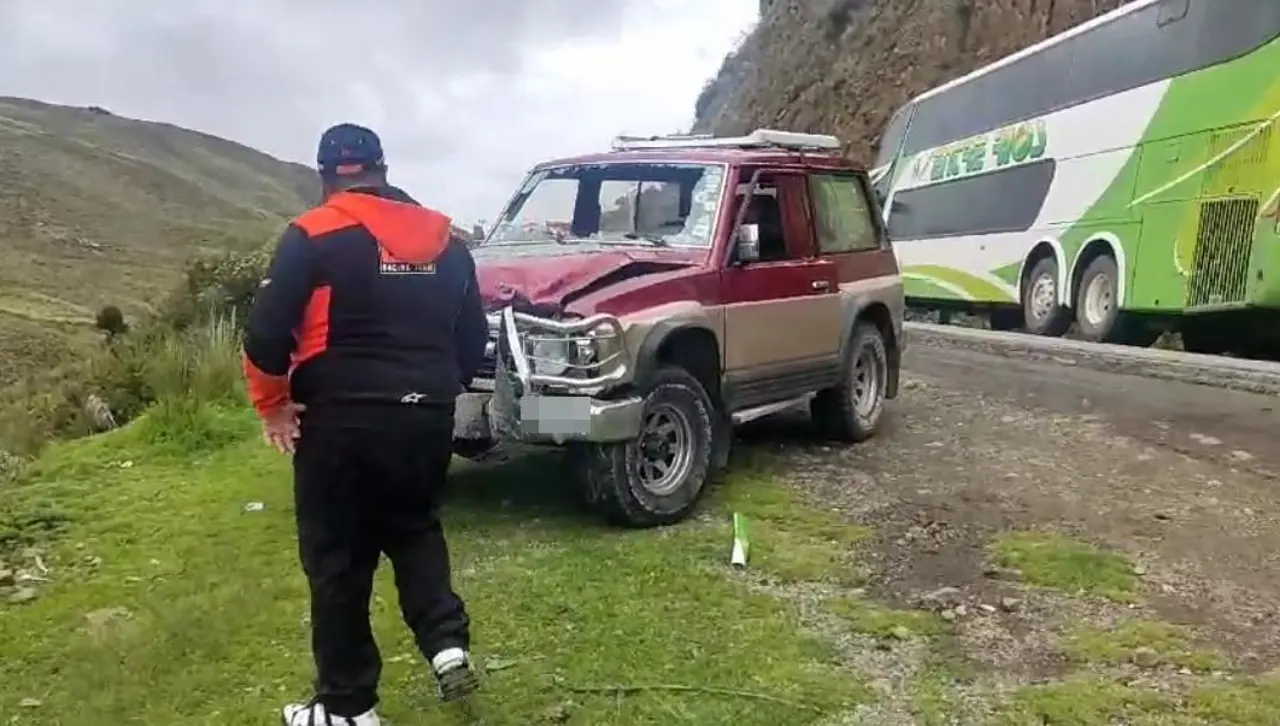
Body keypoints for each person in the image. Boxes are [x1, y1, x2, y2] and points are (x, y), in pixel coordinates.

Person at [241, 123, 489, 726]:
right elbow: (473, 337)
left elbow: (266, 333)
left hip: (340, 421)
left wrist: (272, 404)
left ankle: (348, 708)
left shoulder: (313, 234)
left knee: (338, 559)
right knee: (414, 528)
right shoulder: (448, 241)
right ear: (382, 169)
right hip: (425, 414)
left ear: (327, 176)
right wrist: (434, 394)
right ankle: (446, 643)